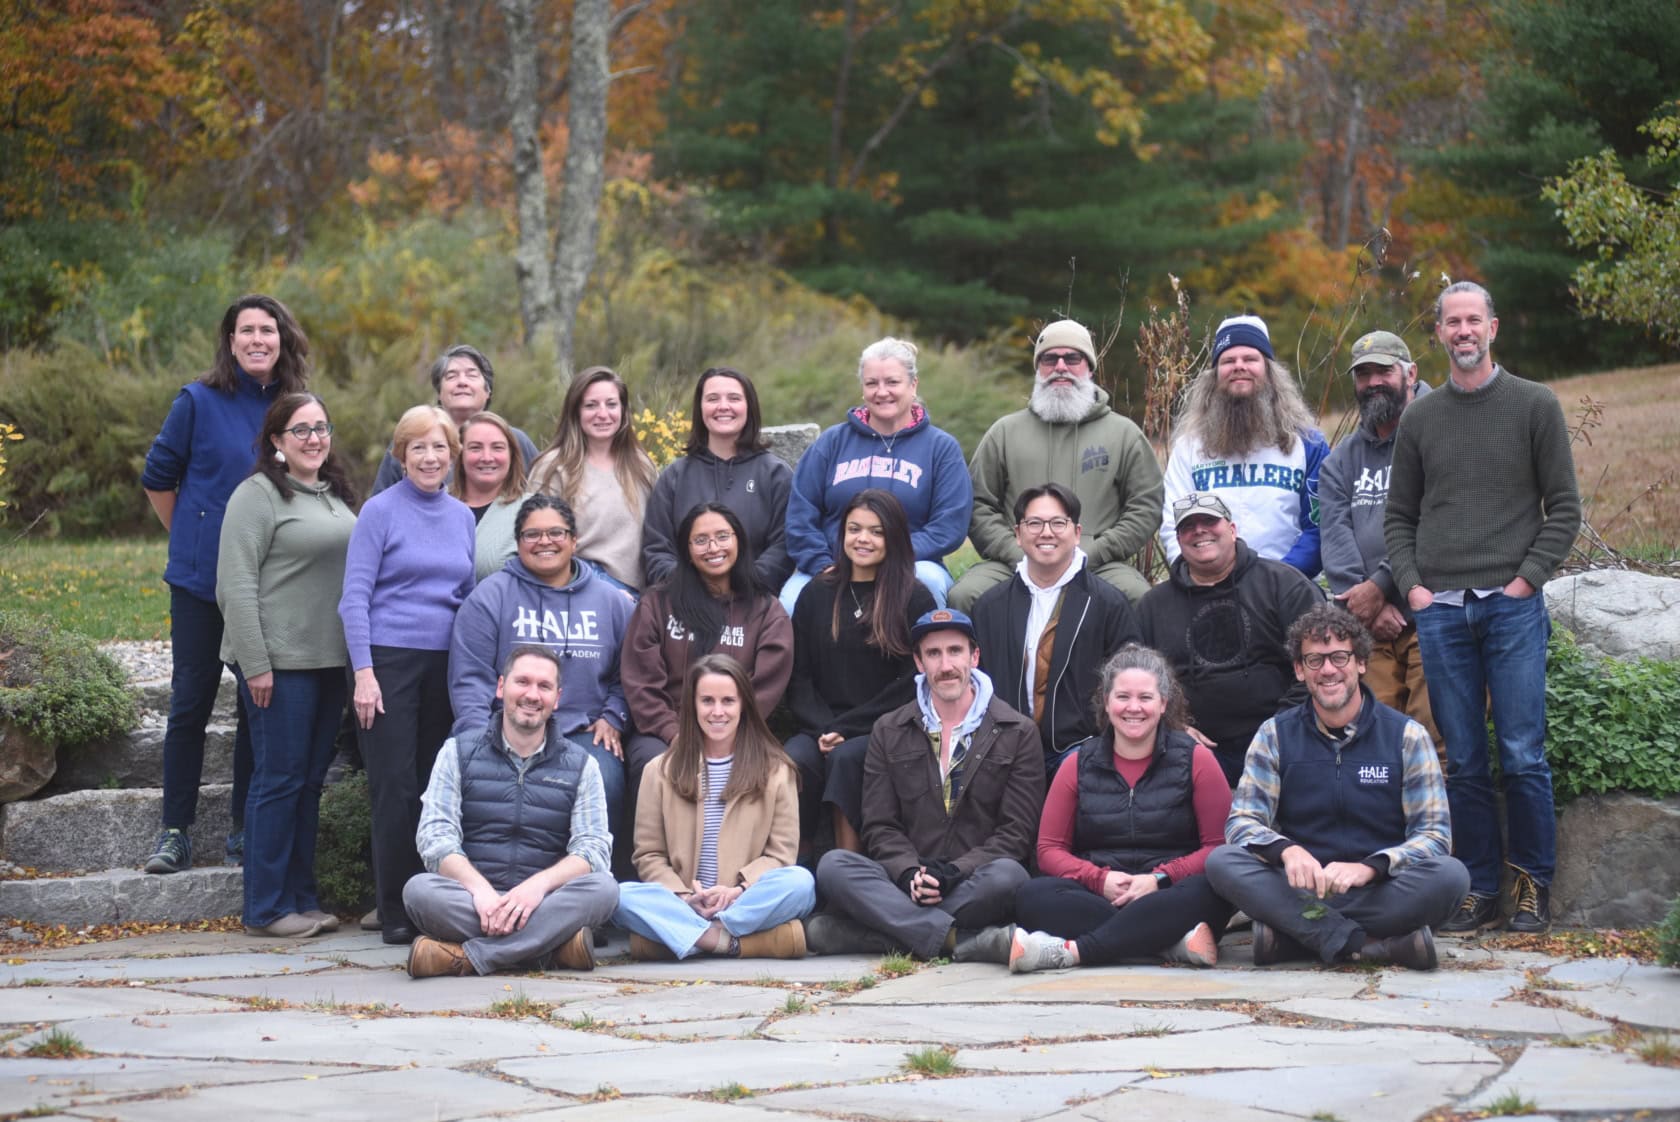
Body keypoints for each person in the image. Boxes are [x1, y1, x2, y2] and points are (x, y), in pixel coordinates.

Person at [1384, 281, 1582, 935]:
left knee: (1523, 753)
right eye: (1452, 322)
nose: (1463, 331)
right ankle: (1478, 887)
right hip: (1440, 610)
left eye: (1474, 320)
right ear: (1438, 334)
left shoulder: (1535, 405)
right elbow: (1399, 517)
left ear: (1493, 328)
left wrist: (1525, 582)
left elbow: (1565, 510)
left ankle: (1531, 885)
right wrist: (1414, 587)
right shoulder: (1421, 417)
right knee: (1463, 758)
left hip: (1511, 608)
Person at [140, 294, 308, 874]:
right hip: (199, 585)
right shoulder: (198, 401)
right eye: (247, 331)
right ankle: (175, 831)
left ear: (282, 340)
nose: (258, 339)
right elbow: (159, 479)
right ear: (230, 340)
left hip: (267, 586)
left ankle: (244, 827)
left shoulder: (292, 409)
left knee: (256, 705)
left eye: (268, 330)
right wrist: (195, 532)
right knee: (189, 703)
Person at [1206, 605, 1469, 969]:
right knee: (1222, 861)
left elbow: (1435, 836)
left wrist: (1372, 867)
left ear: (1361, 662)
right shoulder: (1274, 734)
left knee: (1451, 876)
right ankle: (1367, 945)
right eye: (1314, 660)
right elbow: (1241, 823)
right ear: (1299, 670)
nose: (1328, 670)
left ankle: (1295, 937)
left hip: (1381, 888)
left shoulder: (1406, 737)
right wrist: (1286, 851)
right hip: (1303, 887)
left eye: (1339, 657)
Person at [809, 609, 1044, 962]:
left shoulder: (1018, 731)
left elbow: (1015, 834)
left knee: (1010, 876)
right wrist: (909, 875)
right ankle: (959, 941)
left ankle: (872, 934)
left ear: (974, 656)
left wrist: (952, 874)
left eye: (955, 651)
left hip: (973, 880)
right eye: (933, 654)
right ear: (919, 663)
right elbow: (879, 824)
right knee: (833, 865)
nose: (946, 664)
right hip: (905, 884)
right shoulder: (889, 729)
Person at [216, 393, 358, 938]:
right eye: (300, 430)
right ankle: (265, 907)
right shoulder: (256, 496)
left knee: (308, 782)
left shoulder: (331, 493)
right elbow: (234, 584)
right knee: (278, 779)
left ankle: (300, 897)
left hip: (327, 662)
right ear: (276, 440)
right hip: (278, 663)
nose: (314, 438)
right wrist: (256, 664)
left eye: (322, 427)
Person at [339, 404, 477, 945]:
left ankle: (435, 905)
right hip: (388, 661)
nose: (429, 456)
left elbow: (465, 597)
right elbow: (353, 599)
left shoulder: (463, 516)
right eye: (417, 447)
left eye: (439, 446)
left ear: (452, 455)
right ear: (400, 456)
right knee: (394, 788)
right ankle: (395, 910)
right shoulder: (378, 511)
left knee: (434, 788)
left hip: (445, 664)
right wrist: (364, 673)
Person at [1008, 646, 1233, 973]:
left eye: (1145, 697)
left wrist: (1159, 878)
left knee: (1211, 892)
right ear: (1107, 703)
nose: (1134, 708)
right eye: (1123, 697)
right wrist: (1100, 880)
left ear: (1163, 704)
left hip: (1170, 891)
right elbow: (1049, 849)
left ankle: (1074, 952)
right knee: (1032, 895)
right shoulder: (1076, 764)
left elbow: (1218, 847)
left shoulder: (1196, 759)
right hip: (1101, 892)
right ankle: (1169, 944)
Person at [404, 646, 619, 977]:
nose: (532, 695)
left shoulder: (582, 766)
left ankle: (469, 956)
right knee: (419, 891)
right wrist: (480, 891)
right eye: (523, 682)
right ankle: (551, 948)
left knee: (604, 889)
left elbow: (593, 849)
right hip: (474, 901)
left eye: (544, 686)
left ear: (557, 698)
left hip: (545, 900)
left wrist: (536, 888)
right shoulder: (457, 753)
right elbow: (435, 838)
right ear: (501, 687)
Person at [448, 493, 634, 845]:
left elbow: (630, 674)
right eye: (532, 535)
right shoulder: (490, 597)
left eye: (556, 533)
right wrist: (475, 742)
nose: (544, 542)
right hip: (505, 730)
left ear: (574, 540)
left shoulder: (611, 602)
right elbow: (470, 679)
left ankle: (593, 885)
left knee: (605, 779)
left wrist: (614, 717)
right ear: (518, 544)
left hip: (582, 731)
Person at [951, 320, 1163, 611]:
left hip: (1097, 564)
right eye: (1050, 359)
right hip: (1017, 561)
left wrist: (1094, 551)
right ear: (1038, 369)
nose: (1060, 367)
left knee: (1138, 598)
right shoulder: (1004, 432)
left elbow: (1146, 505)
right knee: (965, 596)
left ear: (1089, 367)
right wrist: (1016, 552)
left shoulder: (1123, 434)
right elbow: (978, 503)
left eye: (1072, 358)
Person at [616, 654, 815, 960]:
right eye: (707, 701)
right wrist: (683, 897)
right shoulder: (659, 770)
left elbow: (781, 855)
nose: (717, 711)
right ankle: (727, 942)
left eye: (728, 701)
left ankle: (694, 935)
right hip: (683, 900)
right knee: (617, 897)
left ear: (743, 705)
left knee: (801, 883)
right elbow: (649, 854)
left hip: (744, 900)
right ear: (692, 705)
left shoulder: (777, 770)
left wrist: (739, 891)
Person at [783, 489, 934, 855]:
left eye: (876, 531)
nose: (863, 539)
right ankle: (797, 862)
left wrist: (844, 730)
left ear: (894, 537)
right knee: (792, 760)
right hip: (822, 722)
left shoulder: (913, 597)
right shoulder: (817, 593)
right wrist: (824, 728)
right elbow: (799, 677)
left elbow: (911, 683)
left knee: (846, 757)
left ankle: (846, 868)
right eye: (854, 529)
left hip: (888, 725)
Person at [1137, 492, 1324, 785]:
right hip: (1192, 752)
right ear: (1178, 539)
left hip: (1289, 739)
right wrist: (1170, 726)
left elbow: (1324, 666)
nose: (1199, 530)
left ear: (1232, 529)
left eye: (1209, 521)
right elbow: (1133, 682)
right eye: (1188, 526)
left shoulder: (1284, 585)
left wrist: (1280, 730)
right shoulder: (1151, 607)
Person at [622, 503, 794, 808]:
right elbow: (642, 682)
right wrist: (675, 734)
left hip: (738, 730)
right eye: (700, 540)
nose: (713, 547)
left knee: (769, 768)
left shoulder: (766, 610)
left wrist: (725, 732)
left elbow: (766, 686)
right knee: (651, 762)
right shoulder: (658, 603)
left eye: (723, 537)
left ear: (739, 541)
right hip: (665, 732)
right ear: (686, 550)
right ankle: (654, 856)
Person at [783, 337, 971, 613]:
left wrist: (888, 555)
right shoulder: (831, 443)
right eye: (872, 383)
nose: (882, 392)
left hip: (910, 564)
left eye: (892, 382)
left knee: (929, 580)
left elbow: (949, 526)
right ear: (862, 389)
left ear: (913, 385)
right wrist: (824, 564)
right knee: (790, 603)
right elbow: (800, 515)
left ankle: (924, 655)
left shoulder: (940, 448)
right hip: (831, 564)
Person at [1318, 331, 1441, 754]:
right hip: (1369, 623)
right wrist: (1366, 604)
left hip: (1434, 611)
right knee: (1373, 740)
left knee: (1435, 737)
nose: (1373, 382)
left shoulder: (1438, 432)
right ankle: (1385, 820)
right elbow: (1334, 538)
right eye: (1363, 374)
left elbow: (1435, 520)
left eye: (1383, 371)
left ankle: (1437, 821)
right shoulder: (1341, 461)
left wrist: (1382, 586)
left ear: (1410, 373)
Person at [971, 483, 1142, 778]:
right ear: (1018, 534)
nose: (1046, 532)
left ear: (1076, 533)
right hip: (1005, 750)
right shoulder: (990, 607)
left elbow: (1132, 682)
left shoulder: (1107, 604)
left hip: (1081, 750)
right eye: (1034, 523)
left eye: (1057, 523)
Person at [1158, 315, 1329, 578]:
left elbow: (1319, 528)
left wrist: (1275, 579)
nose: (1239, 366)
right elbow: (1173, 524)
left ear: (1269, 371)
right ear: (1214, 376)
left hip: (1289, 586)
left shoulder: (1308, 443)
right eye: (1228, 361)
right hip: (1208, 586)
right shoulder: (1189, 447)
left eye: (1250, 359)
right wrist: (1201, 578)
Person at [642, 366, 794, 592]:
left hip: (756, 601)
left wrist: (741, 587)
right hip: (685, 601)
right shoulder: (674, 477)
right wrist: (695, 588)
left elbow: (784, 547)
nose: (723, 406)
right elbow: (657, 549)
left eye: (734, 398)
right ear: (700, 408)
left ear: (749, 407)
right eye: (713, 399)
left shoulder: (775, 475)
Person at [530, 366, 657, 595]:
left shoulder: (642, 466)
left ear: (623, 410)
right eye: (591, 405)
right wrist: (599, 593)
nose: (602, 414)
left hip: (636, 596)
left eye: (611, 404)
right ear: (575, 412)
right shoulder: (552, 468)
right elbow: (538, 542)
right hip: (575, 589)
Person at [370, 344, 541, 496]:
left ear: (488, 390)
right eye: (451, 376)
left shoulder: (516, 441)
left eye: (471, 375)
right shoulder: (412, 438)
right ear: (439, 392)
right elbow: (381, 506)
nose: (462, 382)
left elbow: (543, 502)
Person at [451, 411, 528, 582]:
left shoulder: (534, 510)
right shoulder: (436, 505)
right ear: (460, 454)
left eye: (497, 447)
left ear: (512, 454)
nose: (487, 457)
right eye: (475, 448)